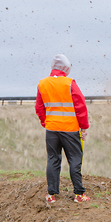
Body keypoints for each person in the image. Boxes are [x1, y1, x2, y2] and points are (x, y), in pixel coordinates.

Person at [35, 54, 90, 203]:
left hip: (51, 129)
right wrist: (83, 127)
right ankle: (79, 194)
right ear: (66, 68)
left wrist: (46, 123)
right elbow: (81, 106)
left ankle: (51, 195)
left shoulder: (42, 83)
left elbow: (39, 108)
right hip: (70, 129)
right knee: (75, 159)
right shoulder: (70, 83)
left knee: (53, 159)